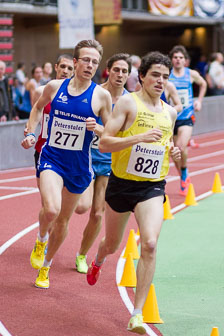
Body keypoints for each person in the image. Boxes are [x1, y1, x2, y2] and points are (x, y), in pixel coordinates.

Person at [86, 51, 181, 334]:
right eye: (155, 75)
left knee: (149, 244)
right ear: (141, 76)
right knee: (112, 244)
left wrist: (173, 151)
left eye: (165, 77)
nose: (160, 81)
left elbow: (166, 144)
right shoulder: (128, 103)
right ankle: (99, 260)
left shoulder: (170, 112)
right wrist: (138, 137)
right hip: (121, 184)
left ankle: (137, 313)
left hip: (151, 186)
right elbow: (104, 143)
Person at [21, 39, 112, 289]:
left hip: (79, 167)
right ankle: (41, 239)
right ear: (75, 62)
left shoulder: (101, 96)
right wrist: (30, 132)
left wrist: (99, 128)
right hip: (52, 158)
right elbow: (37, 109)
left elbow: (113, 133)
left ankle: (46, 267)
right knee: (51, 209)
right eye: (86, 60)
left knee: (63, 220)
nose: (90, 65)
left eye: (94, 61)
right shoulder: (54, 86)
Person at [75, 53, 132, 274]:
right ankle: (60, 220)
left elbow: (126, 135)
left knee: (97, 213)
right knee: (81, 207)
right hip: (87, 156)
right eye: (116, 69)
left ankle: (81, 255)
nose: (120, 74)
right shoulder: (96, 93)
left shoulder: (130, 101)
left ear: (129, 74)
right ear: (108, 70)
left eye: (124, 71)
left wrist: (102, 130)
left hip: (110, 162)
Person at [169, 45, 207, 196]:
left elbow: (203, 84)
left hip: (186, 117)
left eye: (181, 58)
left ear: (185, 60)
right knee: (174, 153)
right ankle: (183, 175)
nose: (178, 60)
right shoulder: (168, 75)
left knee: (180, 146)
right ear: (171, 60)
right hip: (171, 119)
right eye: (175, 57)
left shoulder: (190, 74)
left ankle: (184, 173)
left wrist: (199, 101)